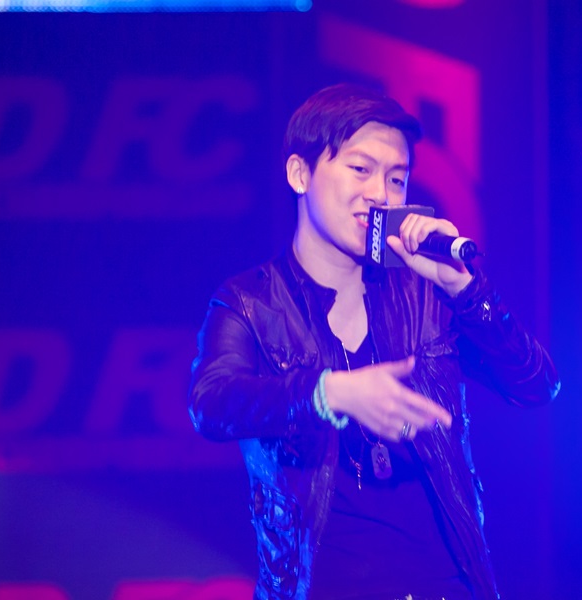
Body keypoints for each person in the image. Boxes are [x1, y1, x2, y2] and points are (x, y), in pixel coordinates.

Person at [188, 83, 560, 600]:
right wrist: (326, 393)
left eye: (396, 178)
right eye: (360, 169)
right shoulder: (249, 303)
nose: (380, 194)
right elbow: (212, 404)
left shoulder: (426, 294)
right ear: (299, 174)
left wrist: (464, 290)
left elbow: (535, 385)